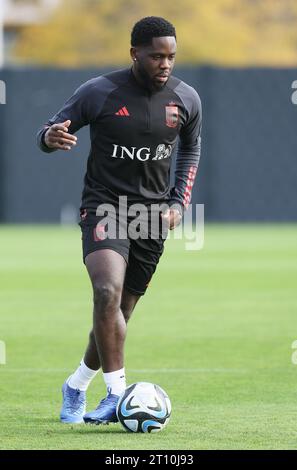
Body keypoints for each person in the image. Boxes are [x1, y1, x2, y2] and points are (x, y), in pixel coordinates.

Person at [37, 16, 202, 425]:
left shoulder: (186, 99)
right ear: (135, 54)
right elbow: (49, 130)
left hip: (151, 215)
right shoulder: (98, 92)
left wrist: (179, 203)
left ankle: (76, 385)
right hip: (105, 205)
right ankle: (116, 395)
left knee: (119, 315)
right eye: (156, 56)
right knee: (106, 292)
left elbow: (191, 151)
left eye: (172, 57)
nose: (166, 64)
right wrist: (49, 138)